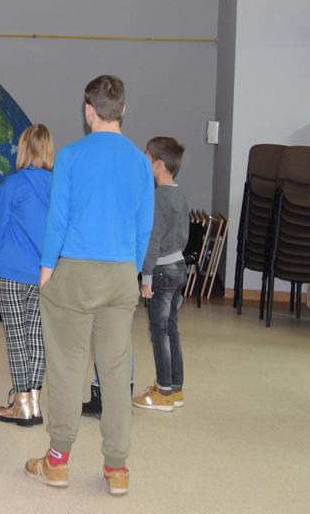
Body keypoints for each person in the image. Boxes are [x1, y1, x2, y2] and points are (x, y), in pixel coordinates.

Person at [24, 76, 153, 498]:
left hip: (75, 274)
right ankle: (117, 467)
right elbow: (144, 225)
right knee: (115, 372)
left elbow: (58, 220)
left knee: (67, 368)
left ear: (88, 109)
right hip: (122, 274)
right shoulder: (139, 161)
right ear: (123, 110)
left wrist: (47, 269)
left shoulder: (71, 156)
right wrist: (133, 269)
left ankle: (57, 461)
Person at [0, 124, 54, 427]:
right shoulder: (59, 187)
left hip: (12, 271)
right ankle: (34, 402)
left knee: (16, 338)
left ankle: (21, 403)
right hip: (46, 274)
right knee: (37, 337)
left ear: (24, 147)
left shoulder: (12, 186)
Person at [132, 137, 190, 413]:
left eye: (146, 156)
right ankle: (175, 388)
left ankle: (163, 391)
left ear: (159, 164)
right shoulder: (179, 194)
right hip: (178, 267)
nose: (143, 160)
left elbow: (152, 239)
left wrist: (146, 275)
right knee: (171, 329)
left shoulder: (159, 198)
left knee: (159, 331)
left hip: (162, 272)